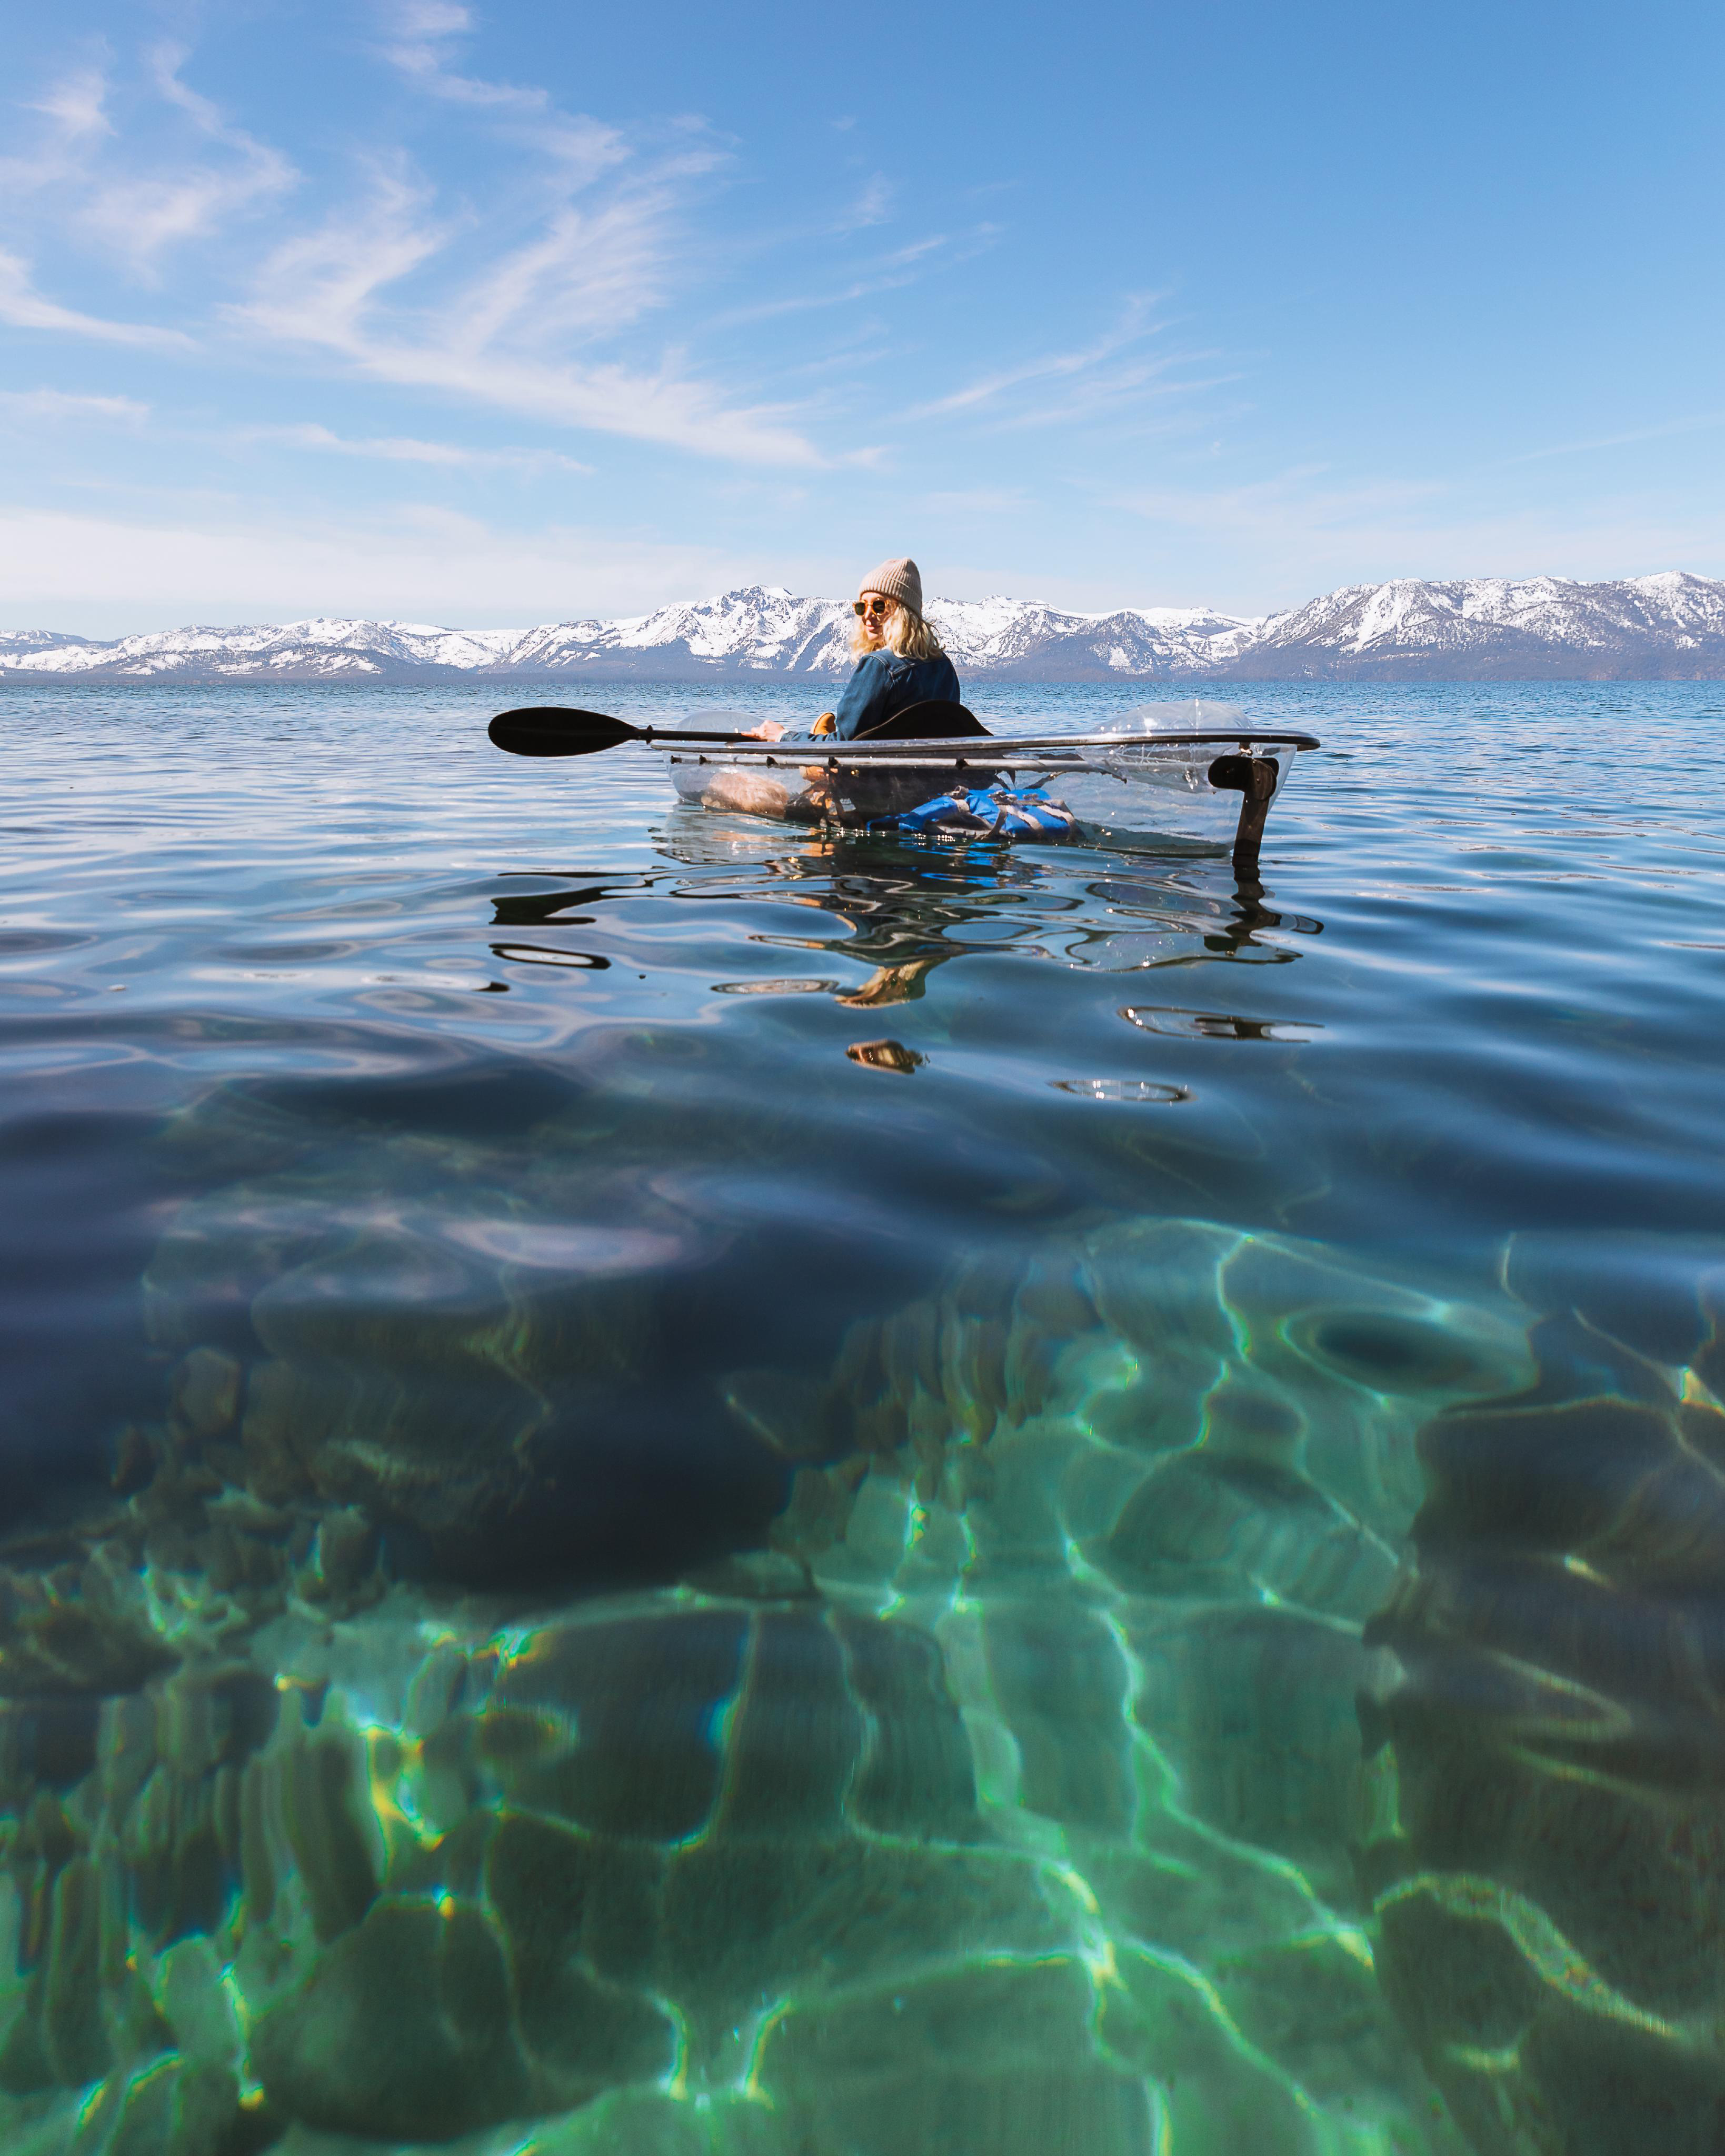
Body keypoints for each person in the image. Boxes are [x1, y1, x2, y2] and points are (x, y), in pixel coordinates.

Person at [752, 558, 961, 742]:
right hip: (929, 778)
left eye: (879, 606)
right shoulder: (944, 666)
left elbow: (843, 744)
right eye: (862, 607)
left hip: (878, 781)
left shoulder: (880, 666)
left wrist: (782, 736)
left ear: (903, 612)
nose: (867, 616)